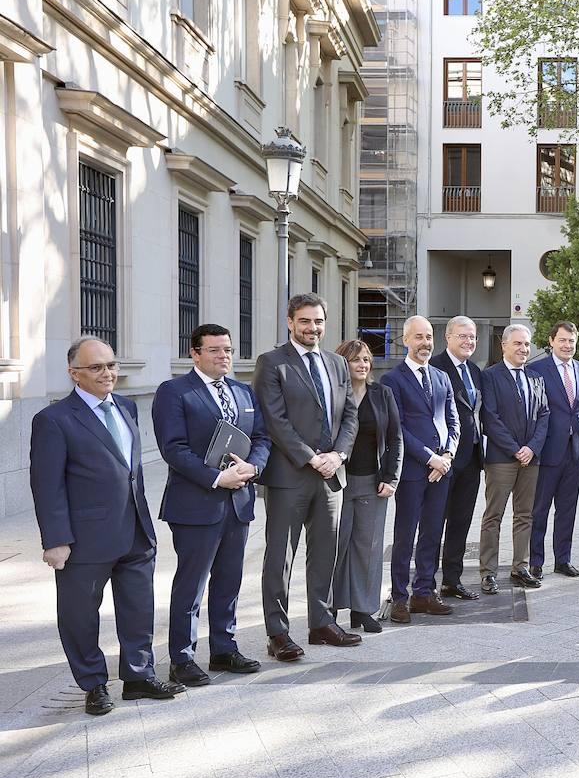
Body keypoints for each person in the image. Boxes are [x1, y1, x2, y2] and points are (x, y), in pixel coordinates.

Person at [31, 337, 184, 715]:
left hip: (134, 531)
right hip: (83, 539)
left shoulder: (128, 407)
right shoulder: (54, 420)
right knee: (80, 615)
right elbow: (46, 485)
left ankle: (137, 677)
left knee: (138, 608)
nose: (108, 373)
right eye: (97, 367)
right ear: (74, 374)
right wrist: (56, 540)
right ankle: (94, 683)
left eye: (111, 365)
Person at [152, 324, 270, 686]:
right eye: (216, 350)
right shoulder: (174, 392)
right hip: (196, 504)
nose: (224, 357)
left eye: (228, 350)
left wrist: (254, 466)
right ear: (196, 353)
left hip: (238, 503)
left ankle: (223, 649)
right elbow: (174, 449)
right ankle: (182, 658)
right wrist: (217, 478)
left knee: (229, 581)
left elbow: (262, 438)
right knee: (192, 584)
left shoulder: (243, 391)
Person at [253, 293, 360, 659]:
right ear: (290, 321)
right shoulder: (271, 363)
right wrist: (312, 458)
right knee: (281, 555)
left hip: (332, 476)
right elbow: (275, 420)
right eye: (304, 321)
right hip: (290, 476)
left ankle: (321, 623)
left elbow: (350, 416)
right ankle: (277, 633)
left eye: (318, 321)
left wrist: (339, 455)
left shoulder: (337, 363)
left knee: (325, 552)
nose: (312, 328)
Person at [381, 316, 459, 622]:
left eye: (429, 337)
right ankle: (400, 597)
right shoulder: (393, 380)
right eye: (419, 337)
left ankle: (424, 593)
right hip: (414, 471)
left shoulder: (442, 377)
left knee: (432, 533)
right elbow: (397, 428)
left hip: (442, 470)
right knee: (405, 535)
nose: (425, 343)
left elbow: (453, 421)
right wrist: (430, 458)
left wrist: (448, 456)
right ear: (405, 340)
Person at [333, 340, 400, 632]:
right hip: (336, 482)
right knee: (335, 547)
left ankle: (362, 610)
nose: (362, 365)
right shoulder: (333, 395)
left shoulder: (382, 394)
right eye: (355, 360)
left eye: (366, 359)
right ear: (342, 364)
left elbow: (396, 439)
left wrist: (391, 477)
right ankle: (328, 610)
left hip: (373, 482)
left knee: (368, 548)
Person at [479, 323, 550, 592]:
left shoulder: (536, 378)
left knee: (525, 514)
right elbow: (490, 417)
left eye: (527, 344)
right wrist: (514, 449)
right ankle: (488, 572)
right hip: (501, 458)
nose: (524, 348)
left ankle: (520, 567)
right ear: (504, 345)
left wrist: (531, 448)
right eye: (518, 343)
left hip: (531, 458)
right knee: (493, 515)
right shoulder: (491, 376)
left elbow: (544, 415)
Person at [527, 321, 579, 579]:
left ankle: (562, 559)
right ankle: (535, 561)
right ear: (552, 341)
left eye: (572, 341)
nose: (568, 345)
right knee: (540, 509)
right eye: (563, 340)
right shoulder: (537, 370)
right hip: (546, 450)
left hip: (575, 450)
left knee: (568, 508)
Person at [430, 315, 482, 600]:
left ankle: (452, 579)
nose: (468, 341)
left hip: (472, 459)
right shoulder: (435, 367)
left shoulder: (475, 370)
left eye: (472, 336)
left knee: (461, 522)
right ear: (448, 337)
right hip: (443, 460)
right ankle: (427, 583)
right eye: (462, 336)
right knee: (435, 522)